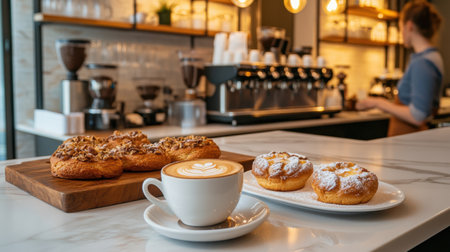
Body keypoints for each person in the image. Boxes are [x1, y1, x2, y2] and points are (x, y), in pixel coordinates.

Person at [356, 0, 444, 136]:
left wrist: (379, 103)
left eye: (400, 27)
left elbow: (418, 116)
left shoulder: (423, 62)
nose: (400, 32)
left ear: (409, 26)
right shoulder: (432, 56)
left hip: (410, 142)